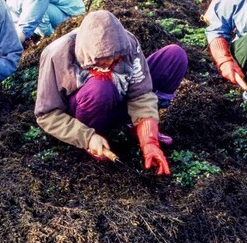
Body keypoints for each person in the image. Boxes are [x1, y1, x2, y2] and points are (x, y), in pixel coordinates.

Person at [36, 10, 185, 176]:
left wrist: (149, 140)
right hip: (84, 111)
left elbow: (141, 94)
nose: (107, 65)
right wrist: (87, 137)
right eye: (100, 62)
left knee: (174, 56)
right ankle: (97, 137)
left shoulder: (127, 44)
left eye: (114, 60)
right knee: (100, 88)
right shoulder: (56, 54)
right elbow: (46, 114)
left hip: (118, 99)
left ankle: (134, 126)